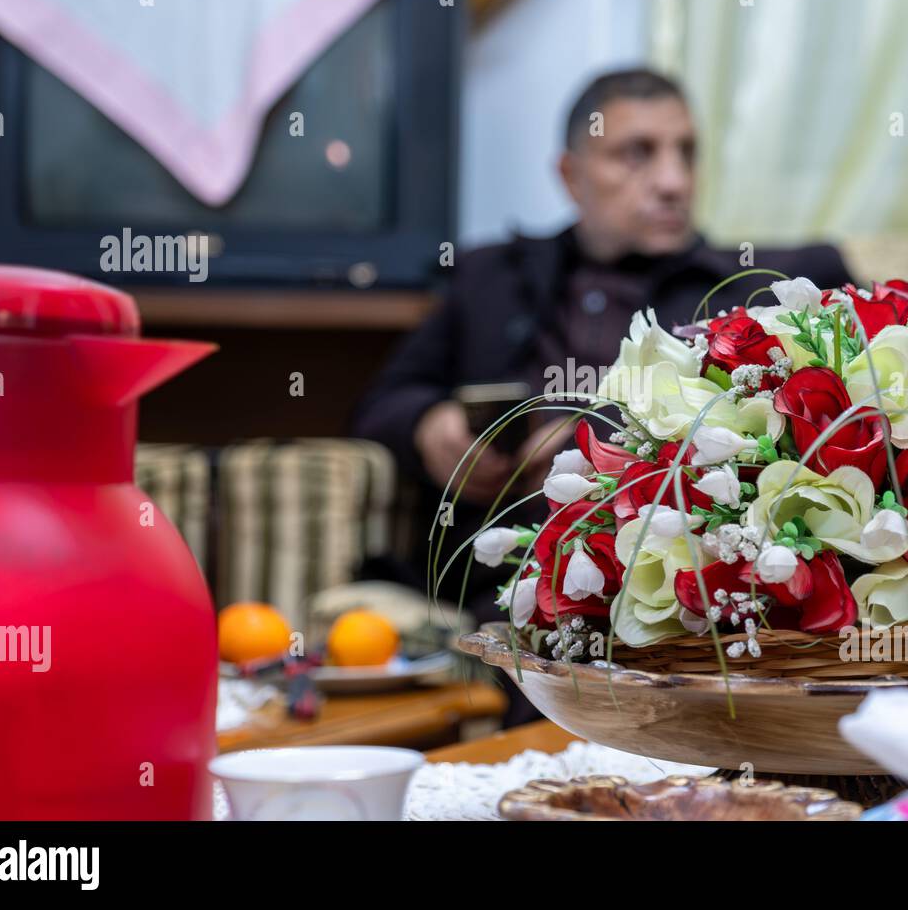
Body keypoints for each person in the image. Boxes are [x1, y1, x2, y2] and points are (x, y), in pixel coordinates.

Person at [353, 68, 852, 636]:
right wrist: (428, 424)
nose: (673, 181)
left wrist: (577, 438)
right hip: (496, 571)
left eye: (685, 153)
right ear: (571, 176)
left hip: (659, 578)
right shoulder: (490, 278)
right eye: (636, 154)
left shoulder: (744, 294)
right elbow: (382, 403)